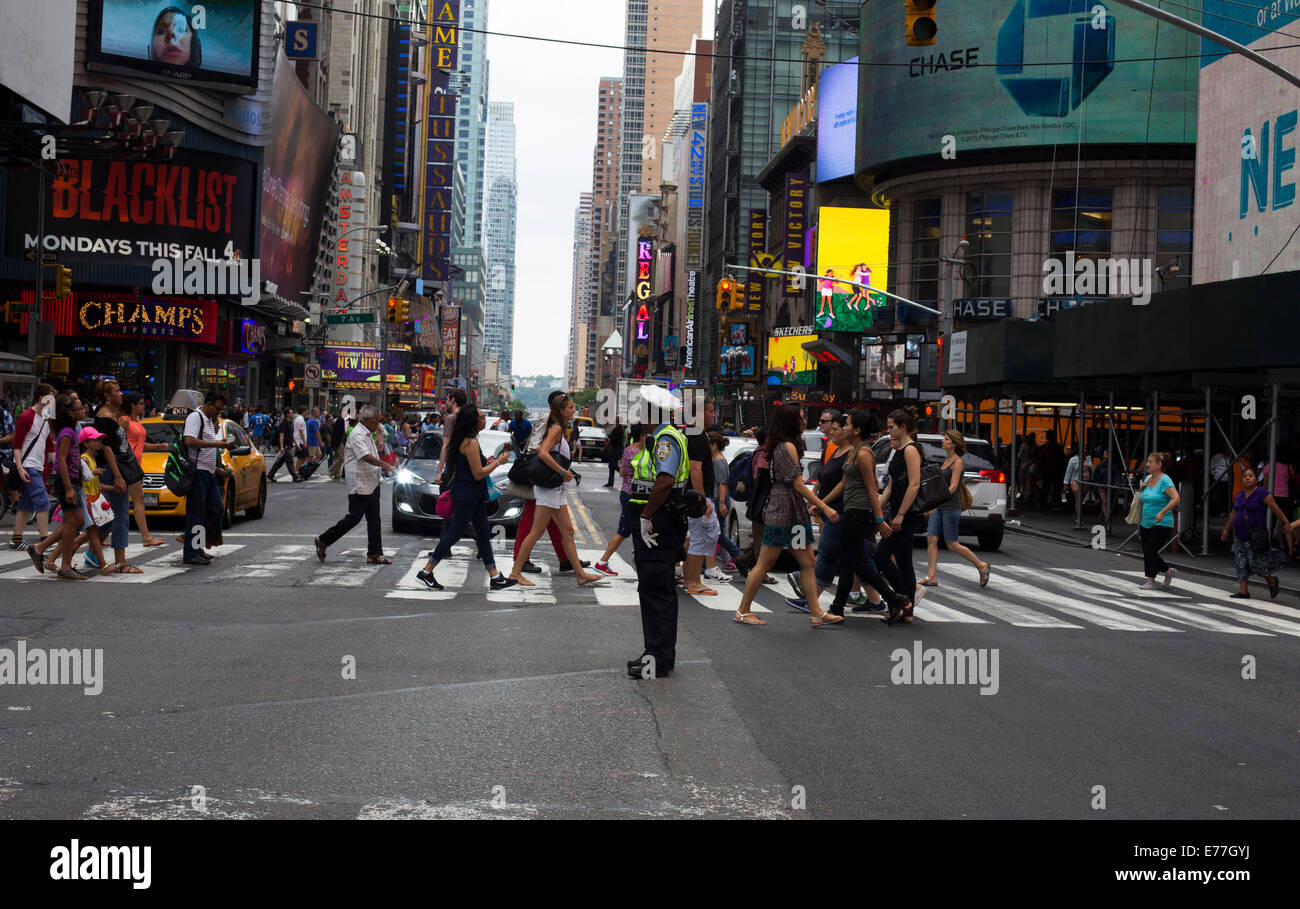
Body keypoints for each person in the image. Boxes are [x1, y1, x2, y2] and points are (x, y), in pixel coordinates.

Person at [733, 404, 841, 627]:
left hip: (793, 513)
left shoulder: (788, 445)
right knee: (764, 563)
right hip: (782, 512)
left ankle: (816, 612)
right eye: (801, 418)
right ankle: (743, 610)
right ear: (791, 421)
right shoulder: (787, 446)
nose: (804, 422)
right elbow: (799, 484)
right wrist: (825, 507)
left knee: (808, 561)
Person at [413, 405, 517, 589]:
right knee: (454, 533)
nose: (484, 419)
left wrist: (490, 461)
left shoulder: (466, 441)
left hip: (472, 494)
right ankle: (426, 571)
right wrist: (499, 463)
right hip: (468, 494)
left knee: (484, 534)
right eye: (481, 417)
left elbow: (473, 467)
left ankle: (495, 577)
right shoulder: (470, 443)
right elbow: (478, 474)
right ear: (473, 421)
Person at [626, 386, 691, 678]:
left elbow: (664, 481)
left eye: (643, 408)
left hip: (659, 522)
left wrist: (646, 516)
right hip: (661, 519)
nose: (639, 412)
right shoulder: (662, 437)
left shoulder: (665, 439)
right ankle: (656, 653)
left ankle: (658, 660)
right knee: (656, 590)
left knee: (655, 590)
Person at [822, 409, 912, 620]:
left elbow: (872, 489)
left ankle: (837, 608)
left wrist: (879, 518)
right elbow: (844, 483)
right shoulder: (855, 451)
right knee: (859, 564)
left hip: (860, 513)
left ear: (857, 430)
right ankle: (894, 598)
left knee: (847, 563)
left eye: (847, 424)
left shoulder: (864, 454)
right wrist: (820, 504)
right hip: (852, 510)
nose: (843, 428)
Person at [508, 394, 603, 588]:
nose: (573, 410)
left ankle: (580, 575)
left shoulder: (560, 428)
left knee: (567, 531)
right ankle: (515, 573)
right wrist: (561, 471)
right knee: (536, 531)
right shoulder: (557, 428)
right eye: (569, 408)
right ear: (560, 411)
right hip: (549, 489)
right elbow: (542, 453)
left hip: (556, 489)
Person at [314, 406, 398, 566]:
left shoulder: (368, 433)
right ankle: (324, 539)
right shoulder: (358, 434)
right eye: (377, 420)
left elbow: (372, 454)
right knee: (354, 518)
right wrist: (386, 466)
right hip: (360, 483)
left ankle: (374, 553)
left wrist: (384, 468)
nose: (379, 424)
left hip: (372, 481)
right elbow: (365, 456)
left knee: (374, 520)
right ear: (367, 420)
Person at [872, 406, 926, 623]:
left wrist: (901, 514)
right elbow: (892, 487)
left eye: (891, 427)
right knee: (904, 562)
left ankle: (902, 599)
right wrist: (876, 507)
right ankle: (908, 611)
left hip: (908, 514)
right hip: (898, 511)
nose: (889, 431)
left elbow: (914, 485)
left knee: (881, 555)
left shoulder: (911, 449)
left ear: (903, 427)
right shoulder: (899, 450)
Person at [27, 395, 90, 580]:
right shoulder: (66, 433)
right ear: (71, 413)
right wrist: (69, 487)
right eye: (80, 408)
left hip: (72, 480)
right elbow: (61, 459)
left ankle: (40, 549)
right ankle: (65, 566)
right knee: (74, 521)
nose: (84, 410)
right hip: (66, 482)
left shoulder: (70, 430)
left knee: (76, 520)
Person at [921, 430, 991, 588]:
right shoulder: (946, 460)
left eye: (946, 439)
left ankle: (981, 566)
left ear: (953, 443)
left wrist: (936, 503)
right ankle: (932, 577)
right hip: (939, 506)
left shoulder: (957, 462)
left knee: (952, 544)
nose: (943, 441)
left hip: (950, 507)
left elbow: (952, 488)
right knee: (931, 539)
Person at [1220, 465, 1296, 599]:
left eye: (1251, 476)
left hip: (1255, 536)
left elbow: (1275, 508)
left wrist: (1287, 523)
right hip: (1240, 536)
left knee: (1256, 563)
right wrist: (1226, 529)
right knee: (1240, 562)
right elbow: (1233, 513)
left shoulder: (1262, 493)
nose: (1247, 478)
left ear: (1256, 478)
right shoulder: (1240, 495)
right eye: (1245, 476)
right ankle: (1244, 591)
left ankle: (1272, 582)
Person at [92, 380, 141, 574]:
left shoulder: (112, 416)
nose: (121, 394)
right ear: (107, 396)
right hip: (112, 470)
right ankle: (121, 561)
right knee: (119, 516)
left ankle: (71, 549)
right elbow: (107, 449)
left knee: (106, 517)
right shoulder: (105, 417)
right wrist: (119, 476)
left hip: (114, 469)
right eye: (117, 391)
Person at [182, 392, 236, 566]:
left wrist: (217, 469)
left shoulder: (208, 421)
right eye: (217, 409)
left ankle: (197, 546)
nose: (218, 413)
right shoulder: (195, 417)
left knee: (216, 509)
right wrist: (217, 444)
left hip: (209, 473)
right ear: (209, 404)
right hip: (197, 472)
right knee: (196, 513)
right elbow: (189, 441)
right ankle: (191, 552)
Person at [683, 397, 724, 595]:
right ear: (699, 413)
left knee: (698, 537)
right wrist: (701, 499)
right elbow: (695, 468)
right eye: (710, 411)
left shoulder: (692, 433)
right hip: (698, 497)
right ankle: (693, 582)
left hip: (694, 495)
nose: (713, 414)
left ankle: (689, 579)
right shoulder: (697, 435)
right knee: (700, 537)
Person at [593, 423, 646, 577]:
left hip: (625, 491)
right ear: (642, 435)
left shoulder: (628, 450)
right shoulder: (639, 453)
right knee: (624, 530)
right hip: (633, 495)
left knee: (632, 530)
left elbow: (622, 472)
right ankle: (602, 562)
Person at [8, 383, 54, 551]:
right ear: (41, 398)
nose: (52, 403)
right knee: (42, 502)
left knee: (26, 504)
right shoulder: (27, 416)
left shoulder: (46, 417)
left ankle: (16, 539)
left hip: (37, 466)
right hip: (28, 466)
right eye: (50, 399)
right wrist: (20, 467)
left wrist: (55, 464)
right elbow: (17, 443)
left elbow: (49, 444)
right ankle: (44, 541)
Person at [121, 392, 167, 548]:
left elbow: (140, 443)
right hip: (127, 465)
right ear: (132, 405)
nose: (143, 406)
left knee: (128, 502)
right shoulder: (124, 421)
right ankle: (146, 537)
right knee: (132, 501)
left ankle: (146, 537)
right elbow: (117, 443)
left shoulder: (137, 421)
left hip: (135, 465)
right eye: (140, 403)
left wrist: (157, 446)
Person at [1137, 451, 1180, 589]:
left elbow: (1176, 498)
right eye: (1147, 461)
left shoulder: (1165, 480)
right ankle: (1168, 571)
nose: (1147, 464)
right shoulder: (1148, 478)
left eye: (1150, 462)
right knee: (1148, 551)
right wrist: (1141, 489)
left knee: (1150, 549)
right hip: (1146, 521)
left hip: (1162, 522)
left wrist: (1162, 512)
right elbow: (1144, 498)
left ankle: (1151, 580)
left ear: (1159, 464)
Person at [710, 432, 742, 575]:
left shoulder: (718, 461)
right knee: (718, 533)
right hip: (720, 499)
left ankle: (739, 555)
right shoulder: (719, 460)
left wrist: (722, 503)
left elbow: (722, 484)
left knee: (717, 534)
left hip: (719, 499)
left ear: (714, 445)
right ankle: (730, 560)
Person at [604, 419, 625, 488]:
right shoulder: (620, 429)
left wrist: (606, 448)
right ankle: (611, 481)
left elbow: (612, 440)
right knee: (612, 465)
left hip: (615, 449)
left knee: (613, 465)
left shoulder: (617, 429)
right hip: (618, 449)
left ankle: (623, 475)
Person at [328, 410, 348, 481]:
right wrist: (340, 442)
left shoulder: (338, 420)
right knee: (341, 458)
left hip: (336, 442)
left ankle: (337, 475)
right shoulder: (340, 421)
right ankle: (331, 470)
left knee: (337, 458)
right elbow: (339, 433)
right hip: (339, 442)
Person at [292, 406, 309, 479]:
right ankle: (296, 472)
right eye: (306, 411)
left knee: (303, 457)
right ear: (303, 411)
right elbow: (301, 432)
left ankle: (297, 471)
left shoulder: (300, 419)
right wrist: (304, 443)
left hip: (300, 441)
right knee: (301, 458)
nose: (307, 412)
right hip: (300, 442)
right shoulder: (300, 420)